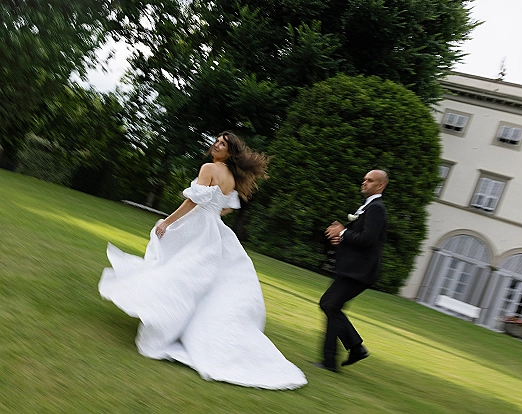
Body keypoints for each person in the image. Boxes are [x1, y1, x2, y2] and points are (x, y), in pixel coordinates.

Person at [99, 131, 307, 390]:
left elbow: (191, 201)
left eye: (222, 143)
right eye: (217, 141)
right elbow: (229, 206)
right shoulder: (231, 177)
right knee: (200, 277)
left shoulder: (208, 167)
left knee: (177, 270)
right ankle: (185, 321)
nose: (216, 145)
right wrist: (213, 211)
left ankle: (166, 319)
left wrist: (167, 221)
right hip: (216, 229)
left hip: (199, 225)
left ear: (230, 152)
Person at [314, 169, 388, 372]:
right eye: (364, 179)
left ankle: (351, 350)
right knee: (331, 306)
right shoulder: (368, 207)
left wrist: (344, 231)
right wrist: (342, 238)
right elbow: (360, 238)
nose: (364, 182)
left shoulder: (377, 208)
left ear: (380, 185)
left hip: (360, 271)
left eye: (370, 180)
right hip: (352, 269)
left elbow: (368, 240)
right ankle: (337, 357)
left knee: (329, 304)